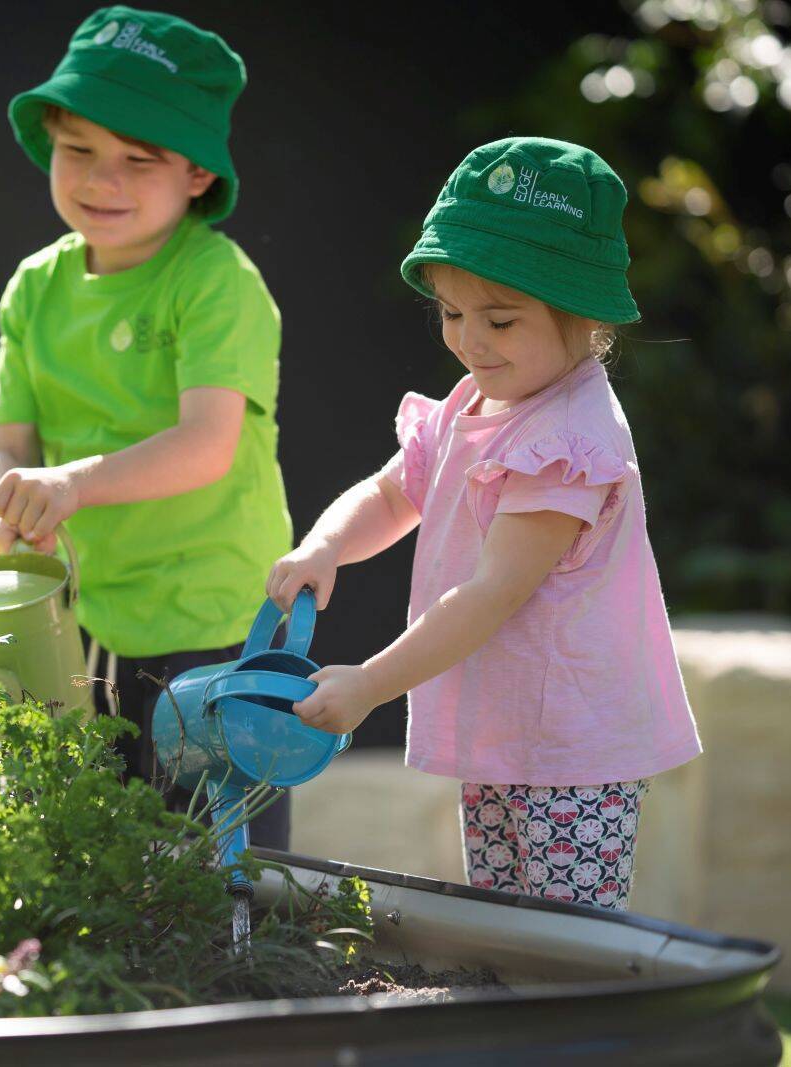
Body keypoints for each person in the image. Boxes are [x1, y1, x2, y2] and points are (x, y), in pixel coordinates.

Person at [267, 138, 701, 908]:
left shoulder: (567, 442)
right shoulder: (476, 403)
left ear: (582, 315)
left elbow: (492, 592)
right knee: (504, 924)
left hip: (574, 746)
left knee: (568, 938)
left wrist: (371, 682)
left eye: (500, 320)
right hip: (507, 730)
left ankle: (575, 1031)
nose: (469, 339)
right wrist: (325, 545)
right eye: (452, 312)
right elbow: (393, 491)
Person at [0, 6, 294, 847]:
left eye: (138, 159)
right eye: (78, 149)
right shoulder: (34, 289)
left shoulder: (216, 280)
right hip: (92, 616)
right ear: (49, 138)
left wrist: (69, 486)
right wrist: (10, 493)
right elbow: (10, 438)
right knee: (105, 849)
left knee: (224, 858)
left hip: (217, 616)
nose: (100, 179)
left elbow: (206, 445)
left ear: (196, 175)